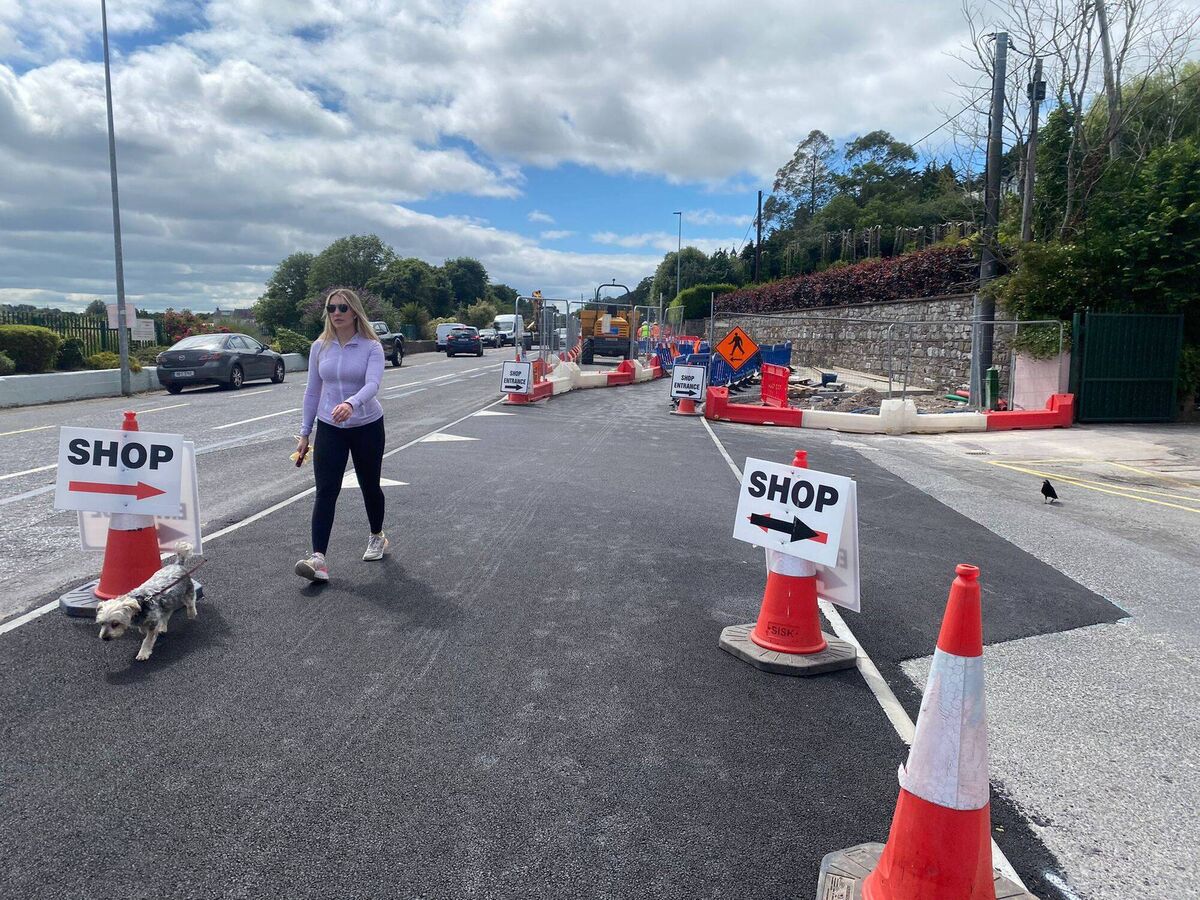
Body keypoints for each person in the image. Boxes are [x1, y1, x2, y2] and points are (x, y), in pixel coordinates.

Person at [294, 288, 387, 582]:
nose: (336, 313)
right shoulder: (319, 347)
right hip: (330, 427)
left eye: (343, 308)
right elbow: (312, 391)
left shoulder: (371, 347)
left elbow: (373, 384)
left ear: (355, 312)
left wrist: (351, 403)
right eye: (331, 308)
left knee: (369, 485)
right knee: (325, 491)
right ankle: (318, 559)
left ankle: (376, 535)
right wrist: (305, 433)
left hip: (367, 425)